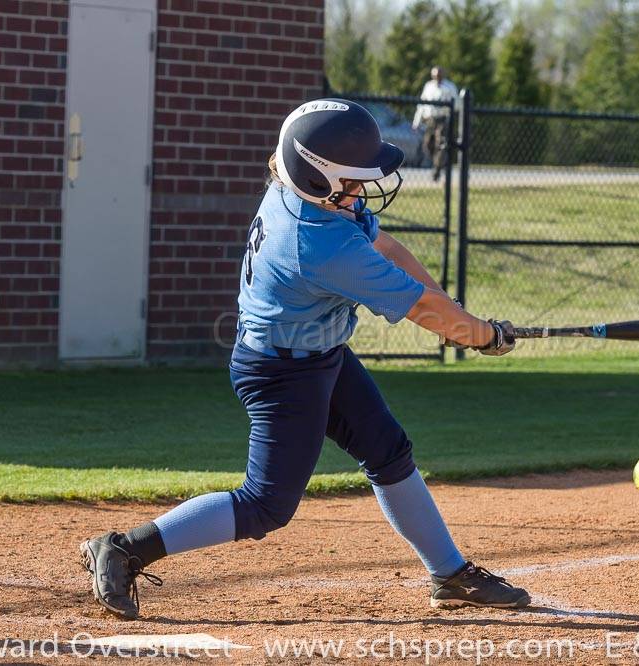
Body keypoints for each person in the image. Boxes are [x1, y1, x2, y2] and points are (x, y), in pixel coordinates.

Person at [79, 98, 529, 620]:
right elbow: (421, 308)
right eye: (352, 181)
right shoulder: (317, 241)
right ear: (317, 177)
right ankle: (124, 547)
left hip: (321, 352)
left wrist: (462, 319)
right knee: (265, 505)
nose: (361, 191)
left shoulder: (308, 199)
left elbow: (389, 252)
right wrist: (477, 335)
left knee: (389, 452)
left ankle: (449, 574)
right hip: (281, 373)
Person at [412, 67, 458, 181]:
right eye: (435, 76)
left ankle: (437, 170)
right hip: (430, 119)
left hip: (443, 119)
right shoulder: (428, 86)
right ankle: (439, 162)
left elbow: (456, 104)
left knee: (440, 144)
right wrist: (416, 121)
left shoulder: (450, 87)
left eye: (439, 76)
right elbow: (422, 103)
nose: (437, 78)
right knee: (428, 144)